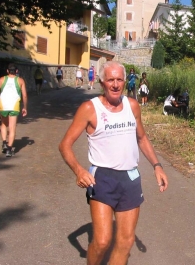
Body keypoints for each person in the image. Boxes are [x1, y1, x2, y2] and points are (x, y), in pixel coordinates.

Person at [59, 61, 168, 265]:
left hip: (130, 178)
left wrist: (157, 166)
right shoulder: (90, 108)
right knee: (101, 241)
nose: (116, 84)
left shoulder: (132, 106)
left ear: (125, 81)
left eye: (119, 80)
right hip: (102, 178)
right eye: (111, 80)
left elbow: (142, 138)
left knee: (126, 243)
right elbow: (65, 145)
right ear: (102, 81)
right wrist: (79, 170)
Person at [0, 63, 28, 157]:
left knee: (4, 124)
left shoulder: (1, 79)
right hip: (14, 105)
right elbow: (24, 95)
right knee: (12, 127)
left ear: (7, 71)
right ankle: (9, 149)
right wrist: (25, 107)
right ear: (16, 71)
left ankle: (4, 142)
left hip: (3, 104)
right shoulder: (20, 80)